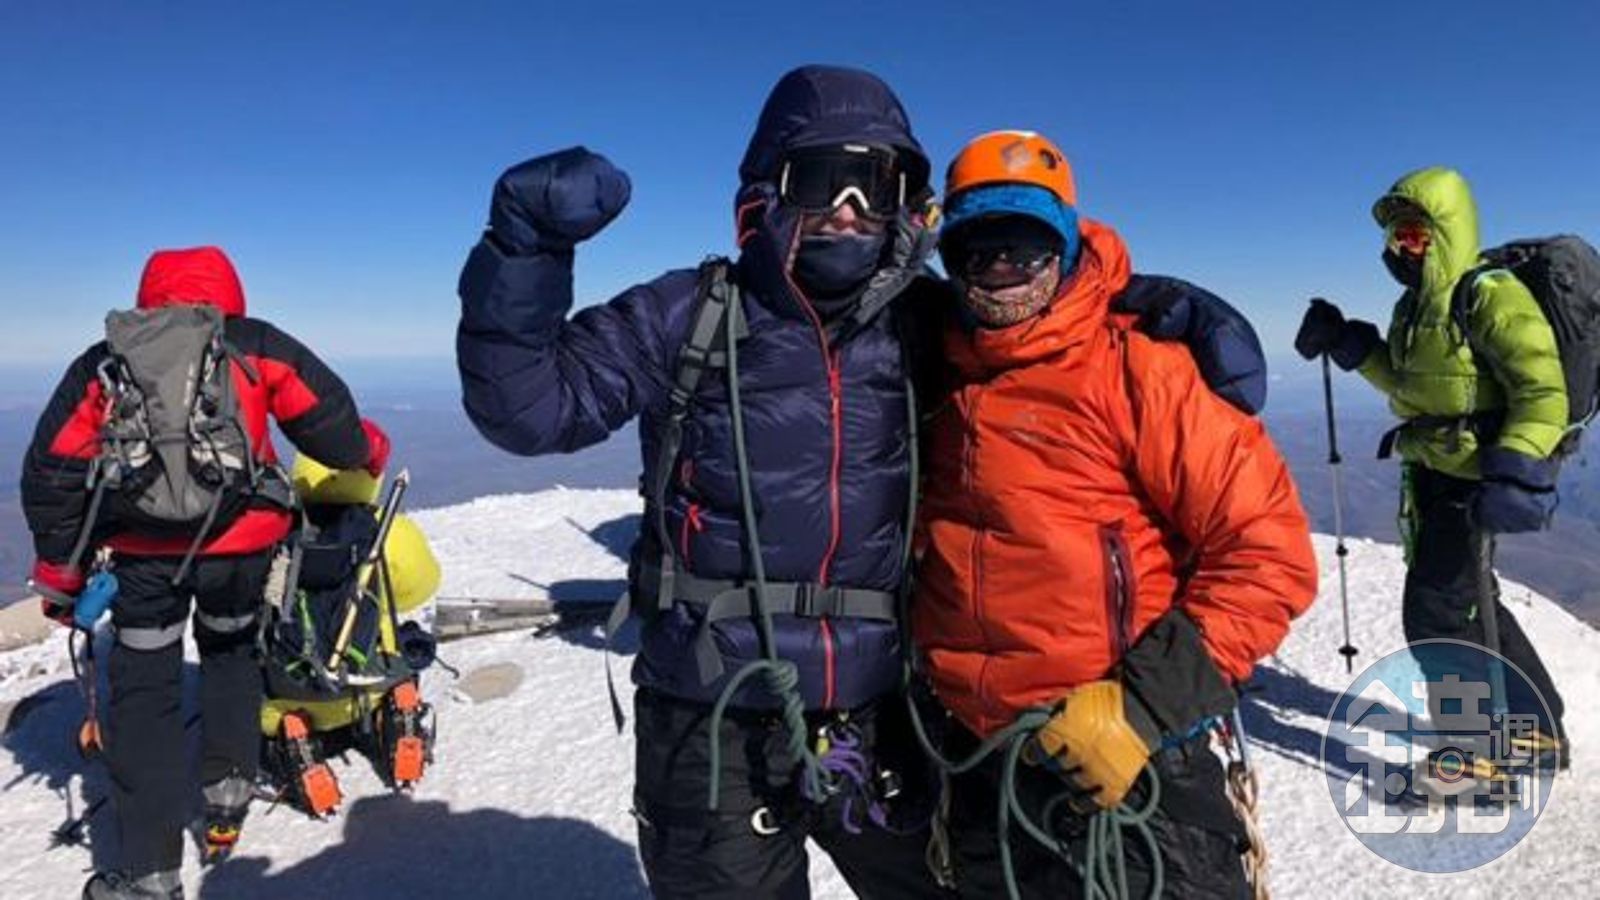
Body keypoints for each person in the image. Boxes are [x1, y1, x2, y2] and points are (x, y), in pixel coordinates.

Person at [457, 64, 954, 900]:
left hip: (879, 711)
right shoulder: (690, 313)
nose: (849, 209)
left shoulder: (923, 326)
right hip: (711, 716)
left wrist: (1147, 309)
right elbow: (529, 410)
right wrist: (525, 246)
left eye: (877, 185)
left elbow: (1041, 341)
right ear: (770, 188)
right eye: (823, 179)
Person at [910, 131, 1318, 899]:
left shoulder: (1140, 369)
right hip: (980, 767)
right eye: (976, 248)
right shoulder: (939, 373)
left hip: (1130, 763)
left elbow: (1267, 555)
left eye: (1025, 245)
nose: (1002, 270)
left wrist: (1141, 707)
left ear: (1065, 247)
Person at [20, 246, 387, 899]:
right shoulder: (255, 344)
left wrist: (60, 570)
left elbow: (51, 471)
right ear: (229, 289)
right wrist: (369, 449)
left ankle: (149, 874)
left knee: (145, 697)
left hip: (143, 559)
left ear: (148, 293)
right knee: (230, 655)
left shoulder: (107, 360)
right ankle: (227, 798)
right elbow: (330, 425)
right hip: (241, 549)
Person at [1294, 165, 1569, 765]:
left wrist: (1516, 466)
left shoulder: (1489, 294)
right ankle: (1538, 728)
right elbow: (1412, 388)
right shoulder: (1415, 306)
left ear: (1447, 231)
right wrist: (1350, 343)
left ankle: (1474, 754)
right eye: (1396, 236)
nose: (1404, 247)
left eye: (1416, 234)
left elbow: (1544, 390)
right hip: (1434, 473)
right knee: (1471, 600)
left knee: (1436, 613)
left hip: (1477, 481)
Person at [258, 450, 441, 819]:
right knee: (397, 644)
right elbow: (422, 587)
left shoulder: (270, 530)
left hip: (288, 688)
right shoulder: (388, 530)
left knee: (257, 680)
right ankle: (395, 715)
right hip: (367, 682)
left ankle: (293, 737)